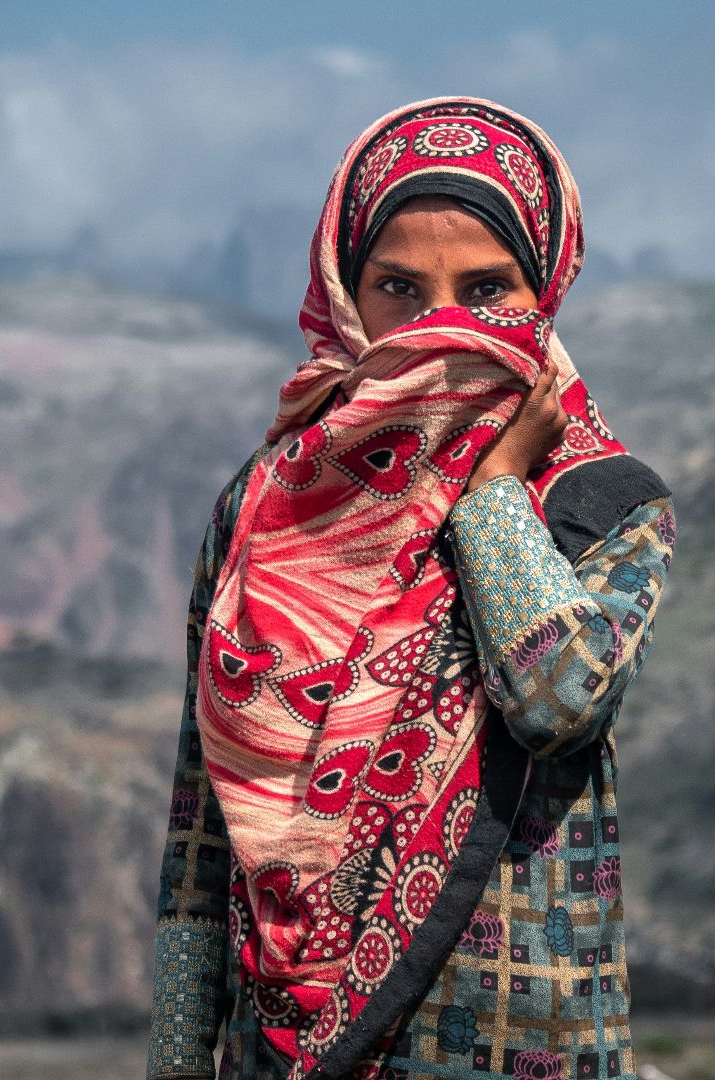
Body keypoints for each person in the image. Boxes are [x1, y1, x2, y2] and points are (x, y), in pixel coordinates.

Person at [147, 96, 676, 1080]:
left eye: (486, 290)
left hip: (517, 1052)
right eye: (399, 286)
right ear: (348, 293)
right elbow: (202, 824)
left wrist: (494, 493)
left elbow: (559, 698)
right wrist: (177, 1059)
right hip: (282, 1050)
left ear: (544, 289)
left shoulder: (603, 499)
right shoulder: (268, 508)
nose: (441, 327)